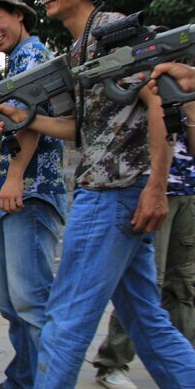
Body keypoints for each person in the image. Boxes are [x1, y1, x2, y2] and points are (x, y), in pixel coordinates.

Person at [0, 0, 195, 388]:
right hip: (115, 191)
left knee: (64, 321)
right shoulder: (80, 48)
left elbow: (159, 101)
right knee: (147, 324)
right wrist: (29, 119)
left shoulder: (111, 32)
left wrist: (156, 187)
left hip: (110, 194)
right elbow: (84, 130)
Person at [0, 0, 67, 389]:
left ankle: (48, 382)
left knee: (32, 300)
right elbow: (11, 123)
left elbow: (30, 122)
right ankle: (22, 378)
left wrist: (16, 175)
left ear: (19, 14)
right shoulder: (16, 61)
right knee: (11, 301)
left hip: (30, 190)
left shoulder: (33, 56)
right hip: (13, 191)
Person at [91, 118, 195, 389]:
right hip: (150, 190)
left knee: (183, 284)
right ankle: (112, 362)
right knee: (148, 284)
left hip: (189, 190)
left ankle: (183, 365)